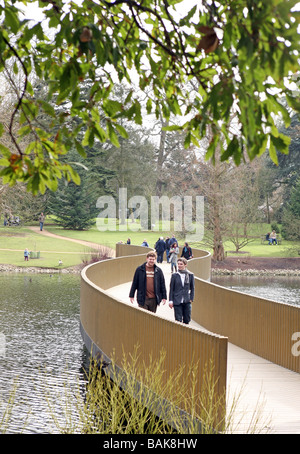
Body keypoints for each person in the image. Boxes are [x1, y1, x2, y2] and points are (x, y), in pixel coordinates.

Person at [169, 258, 195, 325]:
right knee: (178, 319)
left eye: (181, 264)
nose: (179, 265)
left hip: (187, 300)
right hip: (177, 300)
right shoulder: (175, 275)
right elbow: (171, 289)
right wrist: (170, 300)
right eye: (178, 264)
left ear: (185, 265)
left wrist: (191, 298)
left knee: (187, 319)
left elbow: (192, 288)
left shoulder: (190, 275)